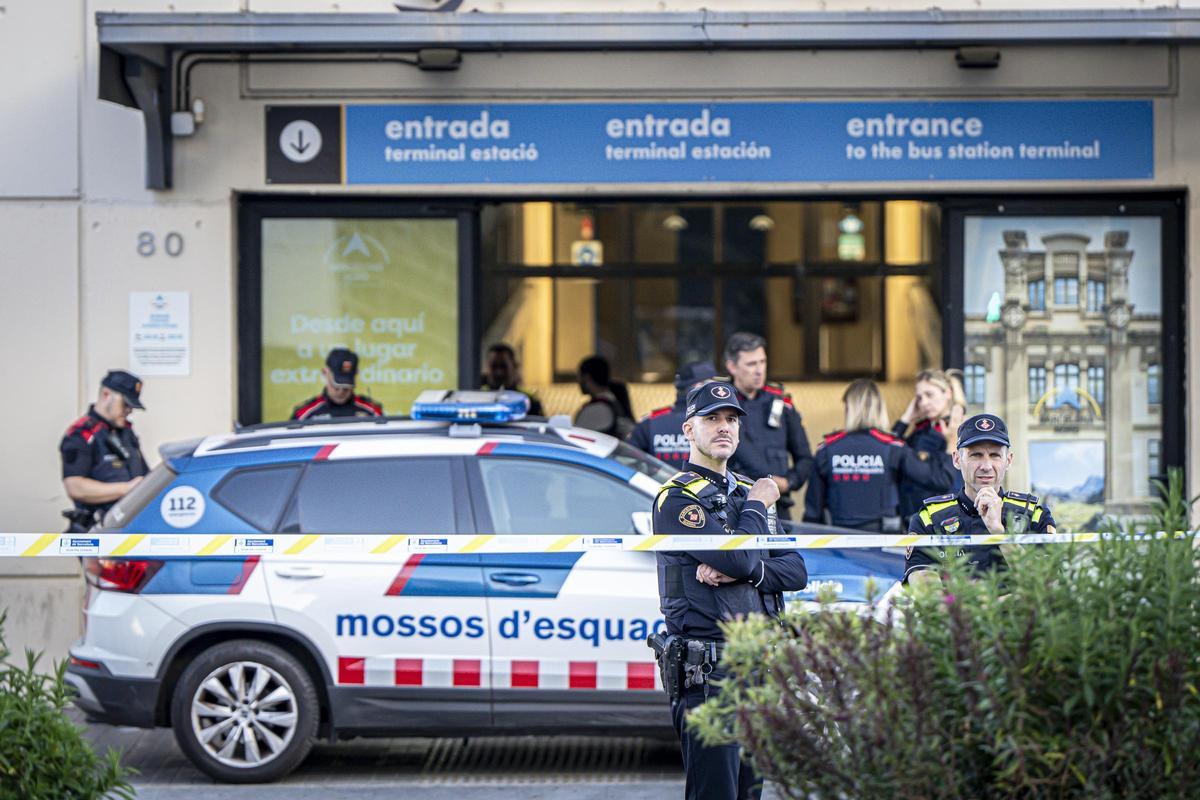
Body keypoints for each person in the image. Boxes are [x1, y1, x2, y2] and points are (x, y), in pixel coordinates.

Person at [651, 381, 808, 800]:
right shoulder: (676, 498)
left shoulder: (742, 490)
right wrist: (758, 508)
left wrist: (743, 570)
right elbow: (741, 558)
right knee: (715, 793)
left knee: (749, 793)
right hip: (707, 672)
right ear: (688, 429)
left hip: (755, 664)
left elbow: (794, 571)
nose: (724, 427)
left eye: (732, 420)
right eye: (712, 419)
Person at [905, 412, 1056, 585]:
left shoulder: (1035, 515)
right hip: (964, 612)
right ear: (956, 459)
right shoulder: (929, 518)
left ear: (1008, 460)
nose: (986, 466)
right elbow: (927, 593)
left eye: (995, 455)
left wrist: (999, 533)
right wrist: (990, 605)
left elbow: (1047, 586)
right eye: (975, 455)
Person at [804, 379, 958, 532]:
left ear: (848, 408)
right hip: (885, 541)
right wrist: (951, 443)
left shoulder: (827, 449)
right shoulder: (892, 448)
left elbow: (812, 513)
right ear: (880, 409)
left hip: (838, 541)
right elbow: (940, 479)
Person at [723, 332, 814, 520]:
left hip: (777, 509)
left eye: (762, 362)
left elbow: (805, 458)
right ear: (732, 367)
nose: (759, 370)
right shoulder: (721, 405)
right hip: (733, 506)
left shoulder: (782, 403)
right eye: (751, 364)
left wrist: (789, 482)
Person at [60, 370, 150, 532]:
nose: (129, 410)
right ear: (106, 395)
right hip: (98, 529)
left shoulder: (126, 432)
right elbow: (75, 486)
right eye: (126, 404)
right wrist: (128, 489)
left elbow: (143, 475)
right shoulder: (82, 433)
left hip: (131, 526)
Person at [892, 368, 968, 525]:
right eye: (919, 398)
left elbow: (947, 480)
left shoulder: (965, 429)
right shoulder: (921, 431)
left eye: (929, 395)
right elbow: (889, 450)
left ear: (947, 393)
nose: (924, 402)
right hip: (916, 518)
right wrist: (906, 418)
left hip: (947, 520)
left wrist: (952, 440)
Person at [627, 360, 718, 465]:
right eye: (711, 384)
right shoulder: (719, 422)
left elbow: (628, 462)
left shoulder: (650, 422)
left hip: (658, 481)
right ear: (698, 387)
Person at [291, 348, 383, 420]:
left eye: (347, 387)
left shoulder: (372, 411)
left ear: (356, 374)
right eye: (336, 386)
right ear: (325, 372)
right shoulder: (304, 414)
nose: (341, 391)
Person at [574, 355, 634, 437]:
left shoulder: (596, 409)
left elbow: (576, 438)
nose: (578, 382)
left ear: (586, 378)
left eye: (579, 377)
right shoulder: (614, 401)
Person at [480, 342, 544, 416]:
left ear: (514, 366)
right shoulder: (478, 398)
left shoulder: (528, 401)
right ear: (487, 368)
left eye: (503, 367)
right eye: (494, 366)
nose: (499, 373)